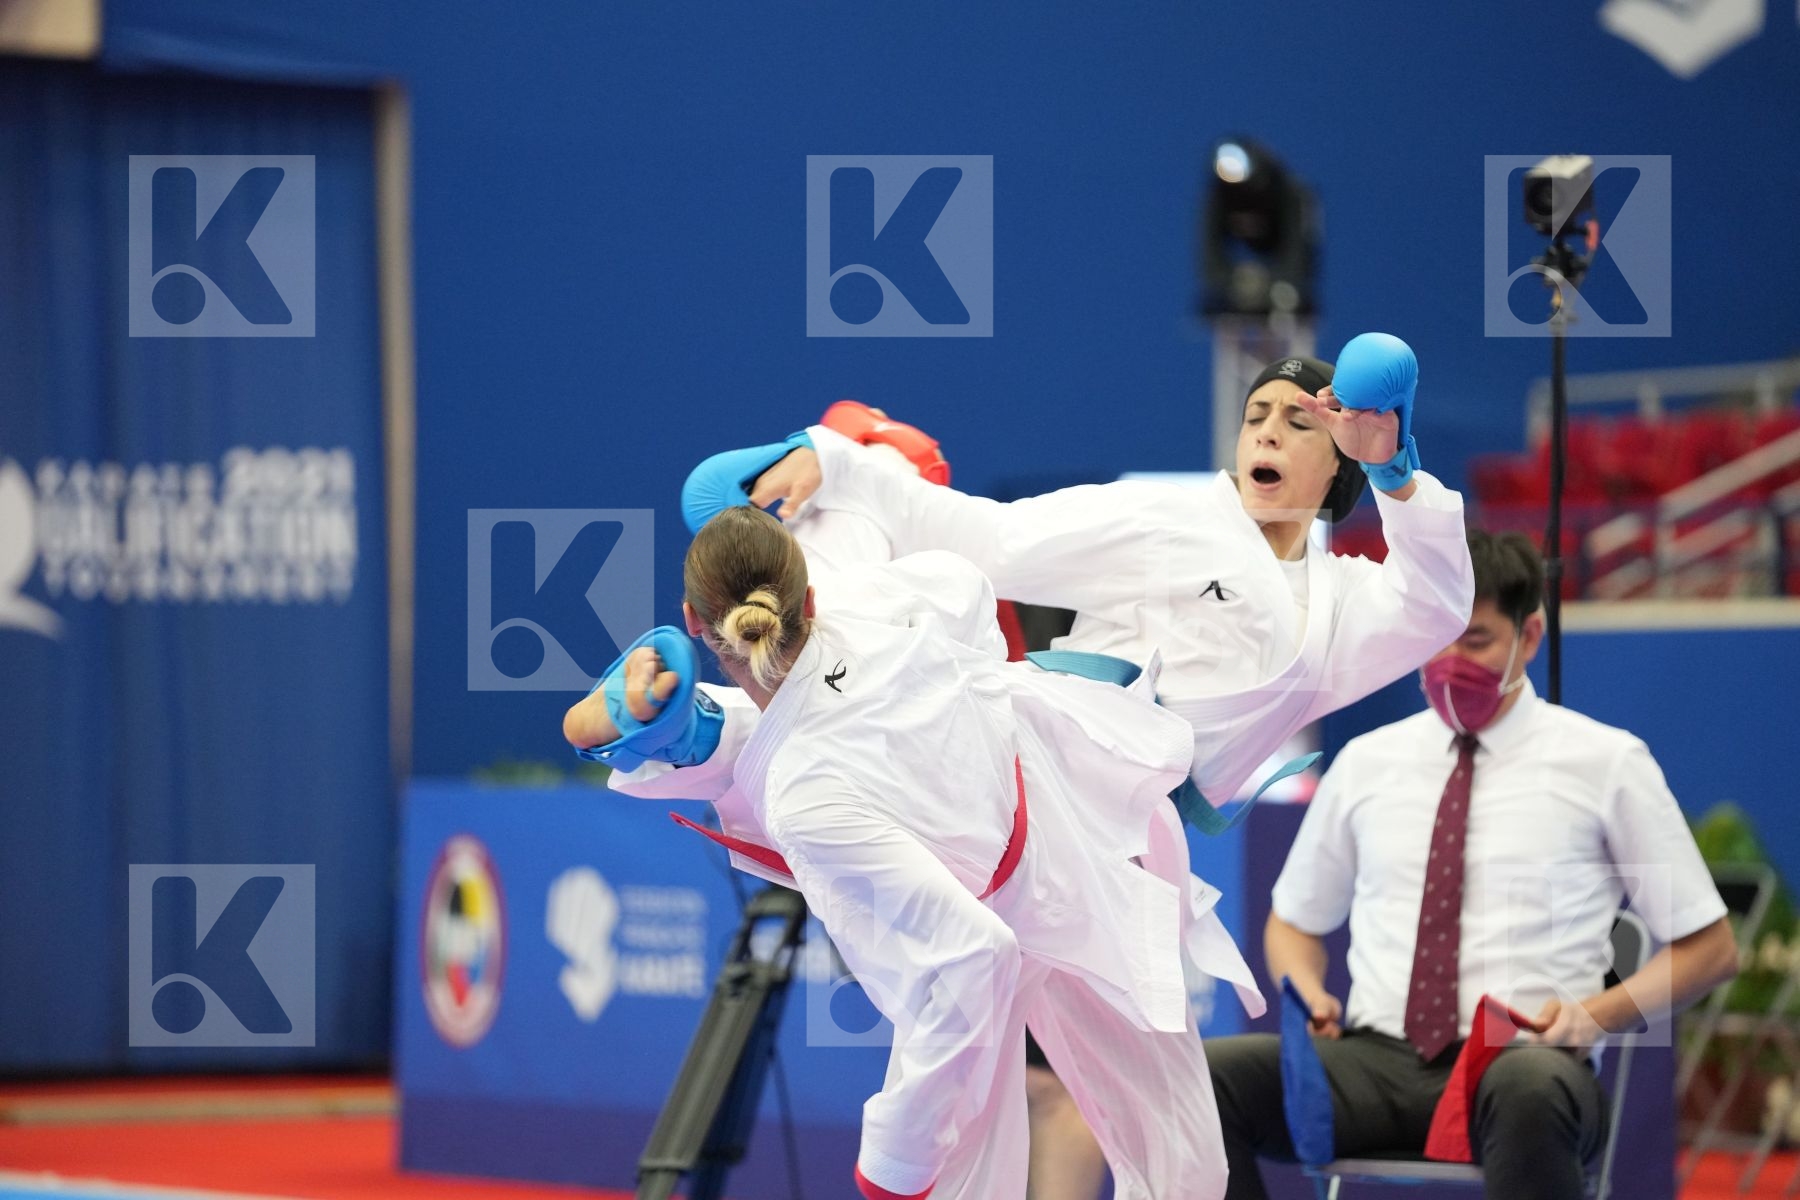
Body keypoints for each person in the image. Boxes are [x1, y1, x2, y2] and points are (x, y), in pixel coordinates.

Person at [686, 337, 1476, 1194]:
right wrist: (838, 464)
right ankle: (709, 703)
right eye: (1256, 417)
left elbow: (1435, 604)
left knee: (1184, 1159)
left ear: (1340, 458)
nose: (1268, 435)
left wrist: (1396, 473)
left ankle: (823, 527)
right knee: (971, 1071)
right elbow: (996, 538)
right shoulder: (1175, 522)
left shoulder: (1341, 609)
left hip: (1127, 858)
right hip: (1023, 773)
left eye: (1299, 422)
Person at [563, 505, 1241, 1200]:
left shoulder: (806, 792)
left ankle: (670, 737)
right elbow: (965, 585)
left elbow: (975, 955)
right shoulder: (873, 604)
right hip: (1078, 832)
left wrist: (896, 1157)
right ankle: (675, 737)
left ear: (694, 621)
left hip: (1051, 864)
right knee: (1182, 1162)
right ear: (809, 597)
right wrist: (969, 694)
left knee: (1125, 1164)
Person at [1207, 529, 1739, 1200]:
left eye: (1478, 639)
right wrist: (1307, 988)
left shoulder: (1608, 763)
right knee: (1203, 1080)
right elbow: (1293, 923)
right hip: (1374, 1060)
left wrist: (1596, 1014)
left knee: (1528, 1088)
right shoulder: (1368, 761)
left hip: (1522, 1058)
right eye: (1436, 638)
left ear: (1531, 635)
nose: (1452, 661)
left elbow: (1712, 949)